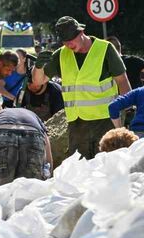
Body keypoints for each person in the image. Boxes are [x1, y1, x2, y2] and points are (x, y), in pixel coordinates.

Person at [32, 16, 131, 160]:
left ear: (81, 32)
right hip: (77, 125)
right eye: (65, 41)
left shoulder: (105, 49)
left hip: (104, 121)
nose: (68, 44)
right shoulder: (61, 54)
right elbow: (38, 81)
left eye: (71, 39)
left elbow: (122, 81)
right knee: (79, 171)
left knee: (107, 165)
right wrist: (38, 66)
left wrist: (127, 110)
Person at [0, 108, 53, 197]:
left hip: (0, 133)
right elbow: (48, 161)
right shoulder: (36, 119)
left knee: (0, 194)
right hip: (33, 135)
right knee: (30, 193)